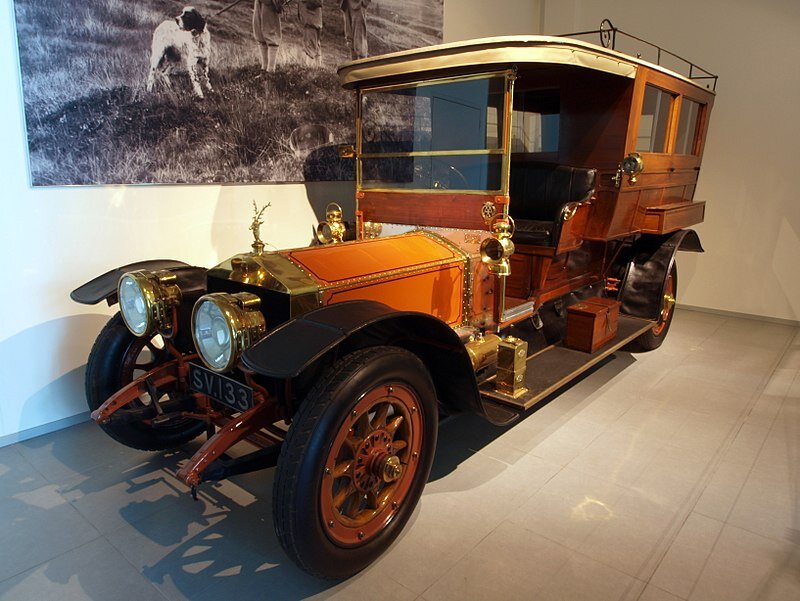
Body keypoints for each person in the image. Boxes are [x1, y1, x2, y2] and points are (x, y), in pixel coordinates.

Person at [253, 0, 284, 73]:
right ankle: (264, 69)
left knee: (271, 34)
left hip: (270, 3)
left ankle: (270, 70)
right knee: (260, 34)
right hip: (259, 2)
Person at [298, 0, 323, 67]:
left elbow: (314, 3)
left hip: (311, 21)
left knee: (310, 47)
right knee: (316, 46)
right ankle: (318, 69)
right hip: (315, 20)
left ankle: (308, 70)